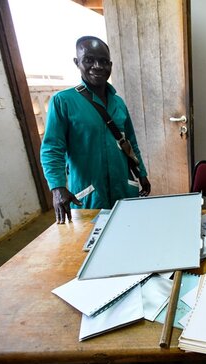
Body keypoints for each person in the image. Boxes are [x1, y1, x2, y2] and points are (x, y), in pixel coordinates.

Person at [40, 36, 151, 224]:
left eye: (103, 61)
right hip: (88, 193)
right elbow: (52, 149)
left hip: (122, 188)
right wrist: (57, 187)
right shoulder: (63, 101)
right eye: (89, 60)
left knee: (126, 231)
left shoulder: (118, 103)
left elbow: (130, 142)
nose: (97, 66)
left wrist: (142, 173)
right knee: (90, 240)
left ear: (110, 65)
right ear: (77, 62)